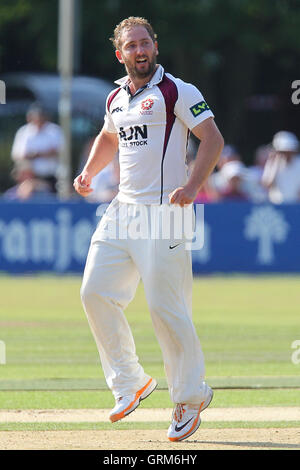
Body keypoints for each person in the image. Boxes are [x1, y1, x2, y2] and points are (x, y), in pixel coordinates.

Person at [73, 16, 224, 442]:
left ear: (154, 47)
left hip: (167, 210)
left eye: (145, 43)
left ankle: (191, 396)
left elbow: (212, 139)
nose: (139, 51)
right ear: (119, 54)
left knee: (165, 307)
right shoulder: (116, 98)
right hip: (123, 209)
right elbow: (109, 137)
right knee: (94, 292)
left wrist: (193, 186)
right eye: (131, 46)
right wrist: (87, 173)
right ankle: (130, 381)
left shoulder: (177, 90)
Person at [11, 103, 64, 193]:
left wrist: (35, 154)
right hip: (29, 178)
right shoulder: (23, 132)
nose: (38, 119)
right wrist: (43, 154)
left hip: (51, 177)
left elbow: (59, 152)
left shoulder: (55, 131)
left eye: (41, 116)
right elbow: (17, 155)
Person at [261, 131, 300, 203]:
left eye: (289, 151)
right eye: (283, 152)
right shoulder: (272, 163)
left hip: (296, 206)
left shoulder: (298, 163)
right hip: (278, 206)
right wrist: (275, 164)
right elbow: (267, 184)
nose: (287, 154)